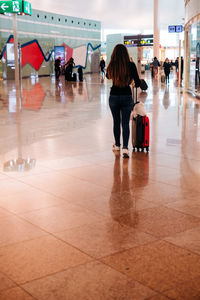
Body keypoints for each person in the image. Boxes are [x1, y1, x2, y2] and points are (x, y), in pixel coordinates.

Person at [106, 44, 141, 158]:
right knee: (125, 123)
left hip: (114, 96)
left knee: (116, 122)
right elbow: (138, 82)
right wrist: (130, 80)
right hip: (126, 96)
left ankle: (117, 145)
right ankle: (125, 148)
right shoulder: (131, 65)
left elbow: (107, 76)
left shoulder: (112, 65)